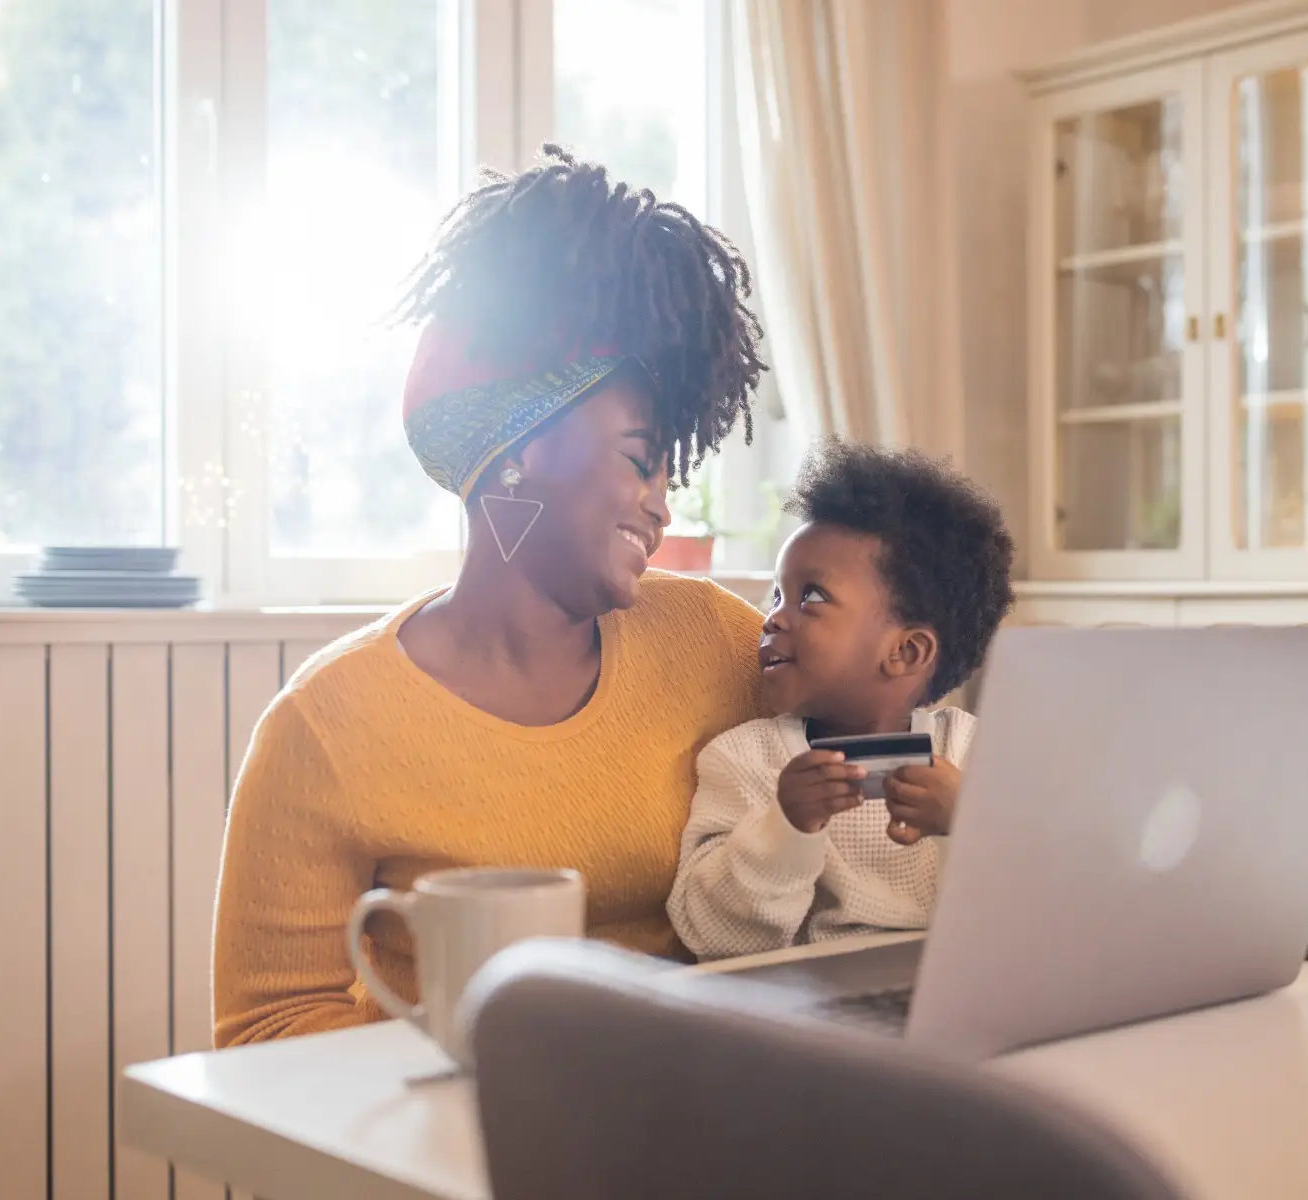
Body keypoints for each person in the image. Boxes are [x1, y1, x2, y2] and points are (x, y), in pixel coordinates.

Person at [211, 146, 769, 1046]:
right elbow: (265, 1027)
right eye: (639, 459)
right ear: (521, 447)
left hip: (694, 1109)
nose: (662, 506)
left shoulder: (715, 641)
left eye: (670, 472)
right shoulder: (327, 724)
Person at [667, 441, 1016, 960]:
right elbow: (714, 938)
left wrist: (970, 821)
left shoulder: (973, 751)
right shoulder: (744, 760)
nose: (774, 617)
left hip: (951, 990)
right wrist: (786, 827)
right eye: (778, 596)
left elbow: (1032, 915)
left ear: (906, 651)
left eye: (810, 597)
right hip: (807, 1008)